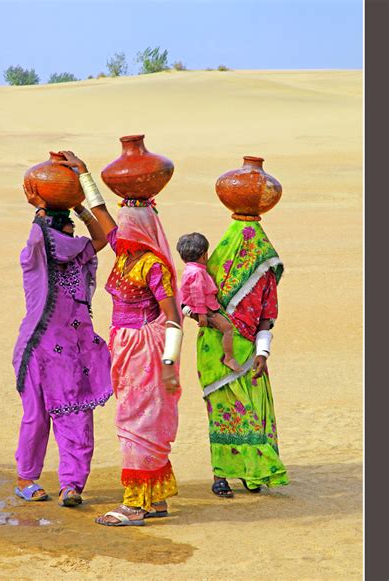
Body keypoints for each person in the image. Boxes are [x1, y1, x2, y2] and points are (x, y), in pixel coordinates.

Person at [55, 150, 183, 527]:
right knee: (135, 420)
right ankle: (154, 498)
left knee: (137, 424)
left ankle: (135, 505)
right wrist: (83, 180)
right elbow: (106, 221)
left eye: (127, 226)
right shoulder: (126, 253)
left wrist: (170, 364)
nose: (119, 232)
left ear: (139, 230)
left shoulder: (152, 265)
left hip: (146, 350)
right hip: (126, 348)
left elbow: (173, 317)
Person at [12, 177, 113, 507]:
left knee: (77, 416)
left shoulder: (79, 254)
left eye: (72, 232)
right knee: (36, 417)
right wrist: (40, 210)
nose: (72, 239)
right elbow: (39, 236)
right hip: (38, 349)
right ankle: (26, 478)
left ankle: (72, 485)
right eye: (66, 232)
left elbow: (101, 238)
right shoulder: (35, 258)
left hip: (73, 352)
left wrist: (80, 207)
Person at [189, 220, 289, 497]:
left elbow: (266, 320)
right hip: (217, 356)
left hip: (238, 356)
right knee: (224, 413)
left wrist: (262, 353)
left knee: (244, 413)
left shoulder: (262, 277)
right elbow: (188, 305)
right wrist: (207, 318)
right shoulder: (209, 271)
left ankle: (249, 470)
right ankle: (221, 474)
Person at [177, 232, 242, 372]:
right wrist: (202, 314)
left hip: (194, 306)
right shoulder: (197, 273)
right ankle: (229, 358)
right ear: (204, 255)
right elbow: (197, 293)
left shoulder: (190, 269)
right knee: (228, 328)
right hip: (203, 309)